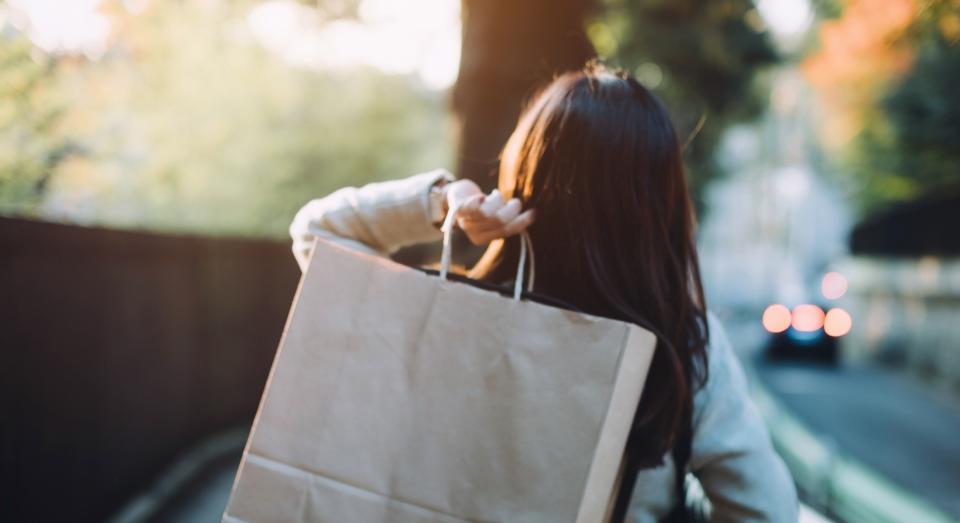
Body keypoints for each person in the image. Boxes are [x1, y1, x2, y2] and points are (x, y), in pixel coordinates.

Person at [289, 63, 798, 522]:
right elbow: (766, 511)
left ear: (523, 176)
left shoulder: (453, 315)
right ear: (657, 207)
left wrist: (446, 203)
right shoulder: (680, 347)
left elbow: (316, 234)